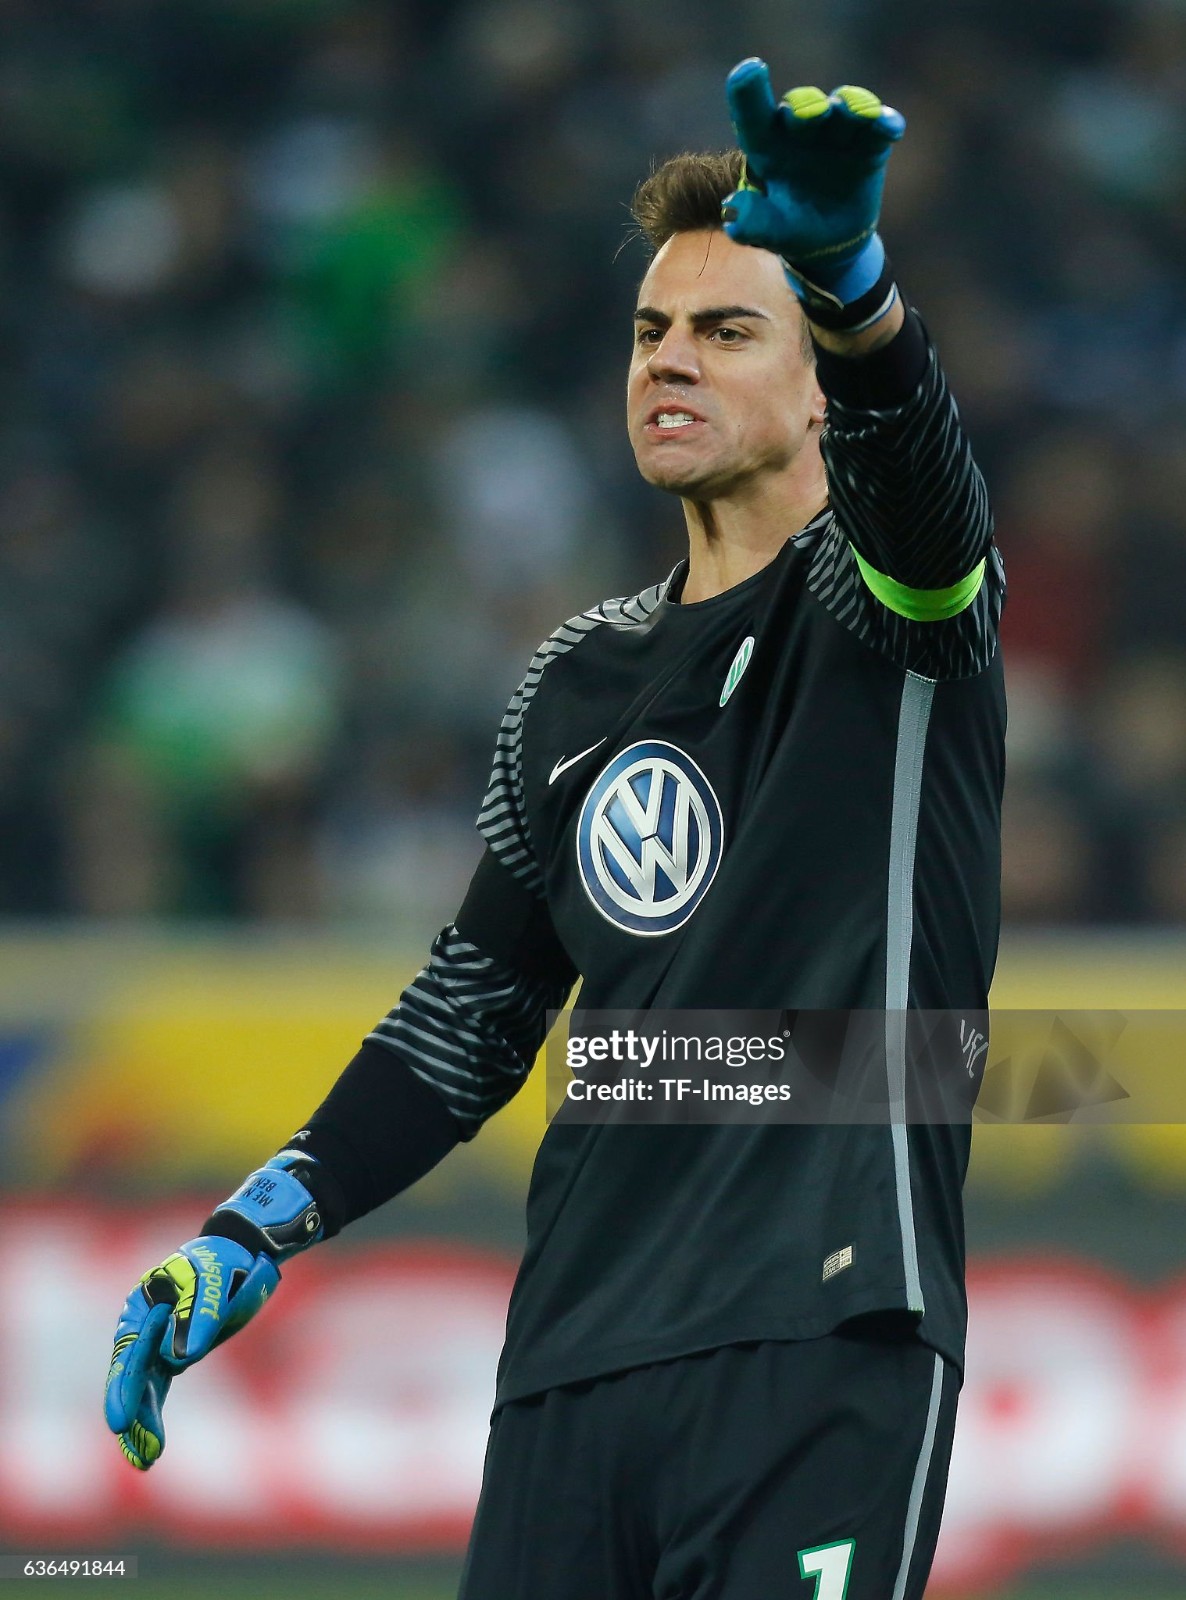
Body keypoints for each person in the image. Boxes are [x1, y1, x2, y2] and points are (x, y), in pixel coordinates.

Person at [105, 60, 1005, 1600]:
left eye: (727, 331)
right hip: (570, 1363)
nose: (670, 360)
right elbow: (472, 1008)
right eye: (650, 331)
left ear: (818, 392)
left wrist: (856, 296)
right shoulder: (572, 678)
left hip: (819, 1328)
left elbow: (920, 496)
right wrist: (257, 1223)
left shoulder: (888, 616)